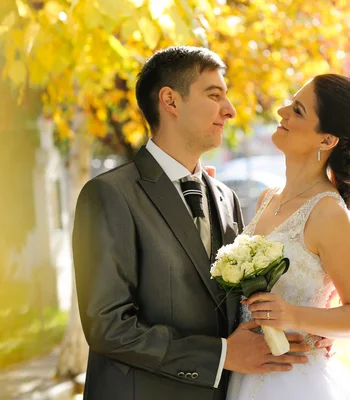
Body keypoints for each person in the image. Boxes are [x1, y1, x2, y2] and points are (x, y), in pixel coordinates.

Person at [72, 46, 329, 400]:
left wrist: (313, 324)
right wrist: (223, 355)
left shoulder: (227, 199)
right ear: (170, 101)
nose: (230, 110)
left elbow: (240, 300)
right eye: (214, 95)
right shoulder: (109, 195)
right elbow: (108, 326)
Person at [227, 74, 350, 400]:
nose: (281, 111)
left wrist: (294, 316)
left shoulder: (327, 213)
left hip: (292, 381)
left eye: (297, 110)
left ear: (326, 141)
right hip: (245, 372)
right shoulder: (267, 197)